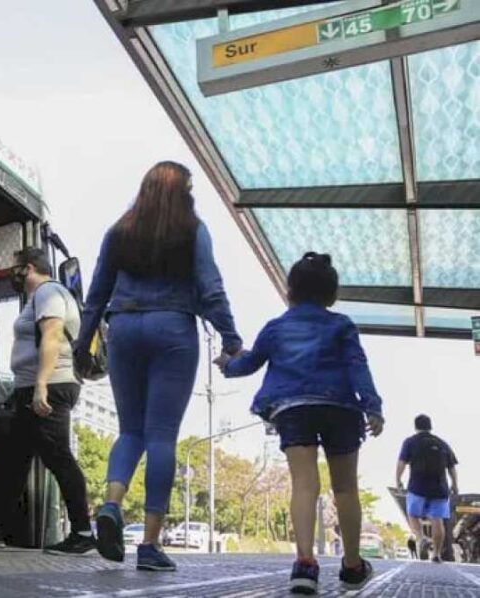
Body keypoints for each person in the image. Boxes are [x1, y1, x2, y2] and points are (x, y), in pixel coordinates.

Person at [74, 161, 242, 571]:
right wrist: (231, 337)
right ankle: (149, 545)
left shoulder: (120, 231)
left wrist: (82, 345)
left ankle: (111, 505)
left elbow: (96, 294)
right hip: (173, 330)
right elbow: (211, 286)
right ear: (184, 191)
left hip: (125, 328)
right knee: (162, 436)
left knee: (129, 430)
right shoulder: (193, 230)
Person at [218, 252, 384, 594]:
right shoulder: (342, 325)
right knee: (346, 489)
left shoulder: (276, 327)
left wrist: (226, 364)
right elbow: (357, 366)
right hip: (340, 407)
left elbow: (248, 363)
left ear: (289, 290)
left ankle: (305, 565)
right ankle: (352, 566)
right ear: (332, 295)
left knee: (304, 485)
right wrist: (372, 407)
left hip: (293, 408)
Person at [0, 247, 93, 555]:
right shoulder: (39, 297)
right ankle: (4, 528)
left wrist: (41, 386)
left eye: (16, 269)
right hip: (30, 386)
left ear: (29, 268)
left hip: (50, 384)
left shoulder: (48, 292)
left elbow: (52, 336)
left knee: (58, 457)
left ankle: (83, 532)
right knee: (12, 456)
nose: (12, 275)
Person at [396, 414, 459, 564]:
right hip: (439, 488)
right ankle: (436, 554)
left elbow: (401, 463)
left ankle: (420, 538)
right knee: (437, 520)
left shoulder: (410, 442)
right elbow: (452, 467)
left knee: (412, 514)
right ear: (430, 426)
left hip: (417, 486)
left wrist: (398, 480)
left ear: (416, 426)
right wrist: (455, 485)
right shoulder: (442, 443)